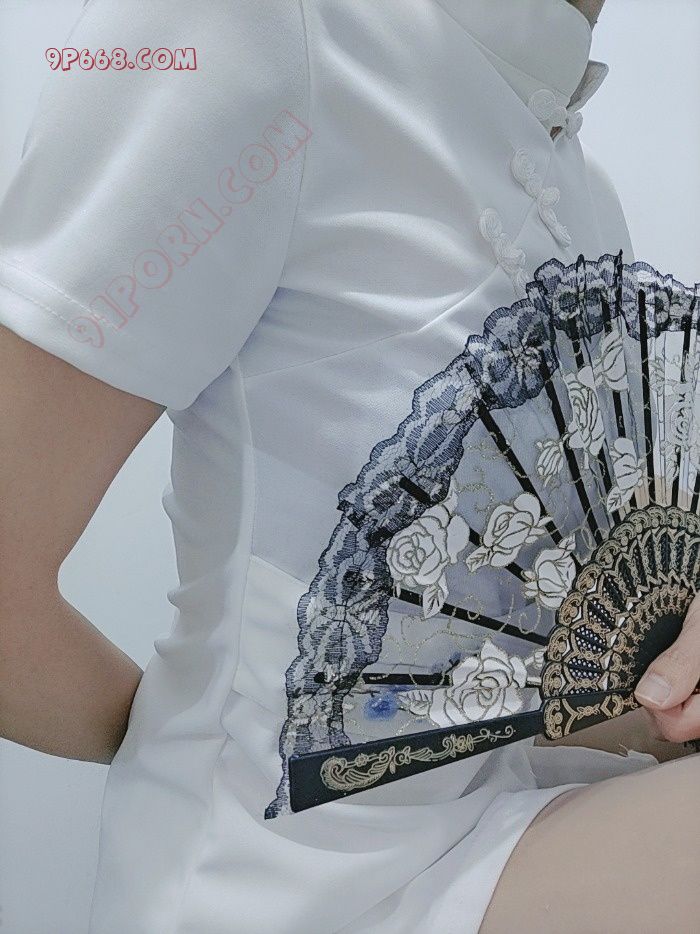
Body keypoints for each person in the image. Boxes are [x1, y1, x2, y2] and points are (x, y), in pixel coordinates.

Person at [0, 1, 697, 931]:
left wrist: (664, 697)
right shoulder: (257, 25)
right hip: (289, 883)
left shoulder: (579, 185)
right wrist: (217, 752)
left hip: (523, 832)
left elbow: (520, 678)